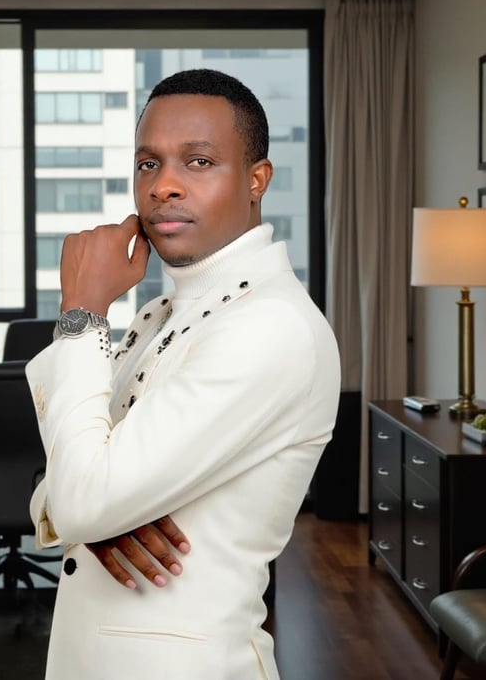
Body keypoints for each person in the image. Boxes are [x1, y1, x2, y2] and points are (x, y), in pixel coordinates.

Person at [26, 68, 341, 680]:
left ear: (256, 180)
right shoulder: (161, 313)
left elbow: (82, 494)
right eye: (149, 163)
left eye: (198, 162)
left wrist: (82, 313)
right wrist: (94, 509)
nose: (163, 185)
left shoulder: (269, 326)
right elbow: (74, 479)